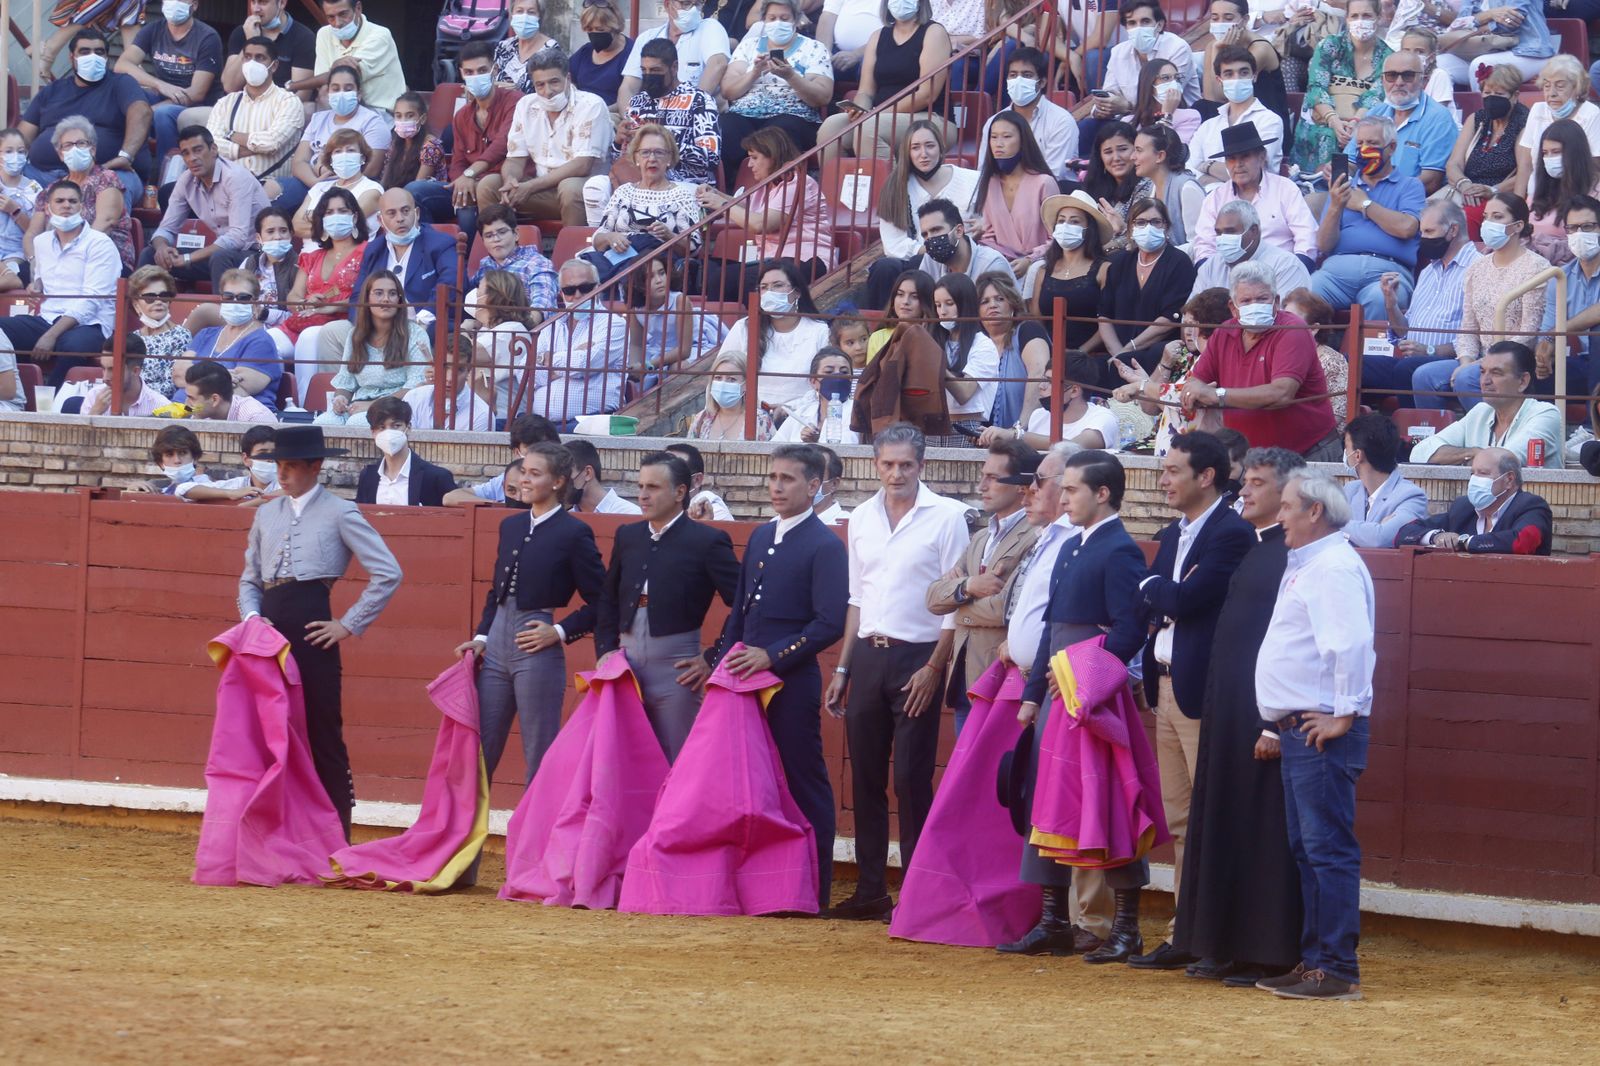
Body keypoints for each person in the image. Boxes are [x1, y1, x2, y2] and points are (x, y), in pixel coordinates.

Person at [1007, 449, 1151, 963]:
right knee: (1048, 803)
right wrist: (1032, 698)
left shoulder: (1120, 550)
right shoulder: (1073, 547)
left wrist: (1081, 680)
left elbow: (1131, 628)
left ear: (1103, 493)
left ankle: (1127, 929)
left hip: (1089, 699)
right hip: (1058, 695)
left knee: (1107, 804)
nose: (1061, 497)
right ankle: (1053, 922)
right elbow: (1051, 628)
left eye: (1070, 490)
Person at [1169, 445, 1305, 987]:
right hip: (1228, 710)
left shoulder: (1290, 557)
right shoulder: (1258, 548)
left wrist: (1273, 722)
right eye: (1243, 481)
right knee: (1228, 820)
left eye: (1256, 483)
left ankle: (1265, 951)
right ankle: (1225, 944)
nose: (1243, 491)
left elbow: (1290, 646)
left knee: (1261, 829)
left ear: (1288, 493)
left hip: (1261, 717)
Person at [1120, 431, 1254, 972]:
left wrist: (1154, 588)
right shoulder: (1177, 535)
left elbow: (1185, 600)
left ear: (1207, 476)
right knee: (1179, 819)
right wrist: (1159, 591)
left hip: (1206, 690)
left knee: (1211, 816)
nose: (1163, 479)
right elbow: (1163, 599)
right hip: (1168, 683)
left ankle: (1220, 936)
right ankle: (1185, 930)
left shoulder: (1230, 534)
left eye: (1174, 470)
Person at [825, 423, 969, 920]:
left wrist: (935, 666)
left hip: (918, 655)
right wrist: (843, 667)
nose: (896, 473)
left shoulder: (949, 517)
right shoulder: (861, 517)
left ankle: (918, 890)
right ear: (875, 464)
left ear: (922, 465)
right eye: (887, 464)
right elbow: (856, 598)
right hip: (868, 654)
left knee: (911, 778)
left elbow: (955, 603)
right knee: (864, 775)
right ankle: (870, 890)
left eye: (906, 464)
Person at [238, 423, 402, 838]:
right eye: (279, 465)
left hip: (313, 631)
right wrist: (253, 620)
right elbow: (250, 579)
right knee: (266, 733)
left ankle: (334, 833)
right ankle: (273, 830)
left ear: (316, 466)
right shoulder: (265, 512)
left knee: (321, 730)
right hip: (268, 635)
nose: (283, 474)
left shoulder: (340, 511)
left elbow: (388, 572)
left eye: (291, 466)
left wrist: (348, 625)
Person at [711, 443, 850, 910]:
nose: (776, 486)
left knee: (801, 779)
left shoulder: (825, 544)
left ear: (814, 486)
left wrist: (771, 657)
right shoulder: (760, 536)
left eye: (787, 479)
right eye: (773, 478)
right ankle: (759, 882)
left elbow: (828, 623)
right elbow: (740, 613)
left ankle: (814, 888)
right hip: (745, 680)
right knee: (748, 782)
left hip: (789, 683)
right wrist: (722, 666)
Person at [1253, 471, 1375, 1002]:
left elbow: (1348, 645)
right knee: (1310, 850)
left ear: (1315, 512)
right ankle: (1316, 961)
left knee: (1326, 850)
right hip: (1302, 726)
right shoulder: (1314, 564)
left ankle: (1336, 967)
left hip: (1320, 729)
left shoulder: (1333, 567)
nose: (1278, 516)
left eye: (1285, 507)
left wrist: (1343, 714)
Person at [454, 441, 605, 784]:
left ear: (557, 482)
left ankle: (534, 838)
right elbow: (498, 591)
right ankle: (468, 838)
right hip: (494, 650)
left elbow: (603, 599)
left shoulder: (573, 532)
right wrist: (481, 637)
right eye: (523, 471)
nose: (524, 479)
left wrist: (560, 632)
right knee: (478, 751)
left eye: (534, 474)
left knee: (539, 754)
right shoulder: (512, 526)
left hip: (536, 650)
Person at [595, 451, 741, 761]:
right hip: (625, 665)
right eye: (641, 486)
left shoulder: (706, 541)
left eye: (653, 487)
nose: (643, 495)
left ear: (679, 492)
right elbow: (608, 597)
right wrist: (605, 649)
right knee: (620, 760)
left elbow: (743, 603)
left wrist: (713, 657)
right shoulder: (628, 535)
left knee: (677, 760)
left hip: (677, 669)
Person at [926, 438, 1041, 734]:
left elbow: (1007, 609)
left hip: (1004, 680)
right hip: (965, 676)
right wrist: (970, 586)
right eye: (982, 476)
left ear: (1021, 486)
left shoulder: (1035, 537)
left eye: (992, 478)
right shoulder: (980, 538)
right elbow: (933, 598)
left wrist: (958, 602)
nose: (982, 486)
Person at [1183, 261, 1341, 460]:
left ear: (1276, 301)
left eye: (1262, 299)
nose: (1254, 306)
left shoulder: (1293, 330)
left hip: (1308, 453)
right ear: (1233, 307)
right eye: (1246, 301)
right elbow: (1196, 381)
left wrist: (1217, 395)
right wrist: (1197, 390)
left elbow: (1281, 393)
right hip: (1252, 457)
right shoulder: (1224, 332)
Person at [1413, 192, 1549, 410]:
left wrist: (1481, 364)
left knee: (1467, 378)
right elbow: (1468, 325)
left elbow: (1529, 331)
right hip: (1478, 358)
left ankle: (1488, 434)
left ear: (1517, 226)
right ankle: (1439, 439)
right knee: (1423, 376)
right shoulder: (1476, 268)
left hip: (1515, 359)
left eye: (1497, 217)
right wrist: (1466, 360)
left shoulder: (1537, 267)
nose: (1488, 224)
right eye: (1486, 217)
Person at [1359, 199, 1479, 408]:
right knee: (1349, 364)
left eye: (1429, 232)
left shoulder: (1478, 268)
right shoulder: (1427, 272)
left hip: (1452, 362)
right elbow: (1404, 332)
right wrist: (1390, 303)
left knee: (1408, 369)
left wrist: (1429, 350)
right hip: (1410, 360)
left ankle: (1412, 436)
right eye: (1421, 233)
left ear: (1453, 230)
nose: (1423, 239)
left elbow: (1477, 337)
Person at [0, 180, 119, 388]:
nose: (66, 205)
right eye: (60, 201)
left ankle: (53, 408)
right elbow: (42, 278)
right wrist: (36, 284)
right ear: (48, 208)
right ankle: (18, 393)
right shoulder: (41, 242)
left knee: (72, 345)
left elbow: (91, 301)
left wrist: (50, 335)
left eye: (73, 201)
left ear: (81, 207)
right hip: (48, 317)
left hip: (90, 323)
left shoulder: (100, 243)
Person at [1309, 115, 1426, 322]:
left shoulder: (1410, 185)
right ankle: (1315, 354)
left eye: (1372, 143)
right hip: (1336, 273)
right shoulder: (1343, 187)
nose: (1364, 150)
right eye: (1360, 144)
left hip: (1388, 272)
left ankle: (1367, 356)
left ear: (1391, 148)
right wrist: (1336, 205)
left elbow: (1407, 228)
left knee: (1380, 298)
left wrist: (1365, 205)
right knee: (1307, 293)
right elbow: (1324, 245)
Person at [20, 32, 153, 208]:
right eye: (85, 51)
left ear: (106, 57)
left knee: (110, 187)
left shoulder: (121, 83)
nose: (93, 57)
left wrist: (126, 156)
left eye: (99, 52)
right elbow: (21, 137)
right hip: (41, 175)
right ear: (72, 57)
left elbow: (141, 112)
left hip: (106, 172)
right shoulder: (51, 91)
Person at [697, 127, 833, 297]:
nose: (749, 164)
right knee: (707, 268)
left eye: (754, 158)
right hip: (773, 261)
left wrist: (722, 204)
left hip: (806, 261)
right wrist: (715, 193)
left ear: (773, 156)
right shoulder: (768, 184)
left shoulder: (797, 181)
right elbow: (744, 207)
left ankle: (744, 322)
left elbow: (761, 224)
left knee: (727, 279)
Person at [814, 0, 954, 163]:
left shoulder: (934, 32)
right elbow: (865, 91)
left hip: (931, 117)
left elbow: (926, 95)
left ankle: (890, 188)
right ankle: (835, 188)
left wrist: (875, 114)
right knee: (831, 127)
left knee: (869, 129)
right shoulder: (877, 36)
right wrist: (860, 112)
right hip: (878, 115)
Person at [487, 52, 613, 229]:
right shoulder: (526, 105)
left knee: (569, 187)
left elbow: (583, 165)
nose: (548, 91)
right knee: (489, 185)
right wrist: (511, 180)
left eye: (554, 82)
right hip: (541, 188)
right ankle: (499, 251)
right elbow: (515, 158)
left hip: (583, 188)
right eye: (540, 85)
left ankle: (573, 252)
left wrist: (530, 187)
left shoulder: (591, 105)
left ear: (567, 78)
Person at [141, 126, 271, 290]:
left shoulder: (235, 177)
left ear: (214, 149)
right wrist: (162, 249)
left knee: (220, 257)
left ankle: (221, 315)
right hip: (222, 254)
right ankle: (139, 311)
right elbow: (166, 228)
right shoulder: (186, 180)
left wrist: (187, 258)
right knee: (150, 254)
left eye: (198, 150)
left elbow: (238, 237)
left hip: (256, 255)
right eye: (186, 153)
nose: (192, 158)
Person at [408, 43, 517, 237]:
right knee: (414, 191)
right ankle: (429, 248)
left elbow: (502, 144)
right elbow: (457, 161)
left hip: (499, 183)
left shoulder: (514, 101)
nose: (475, 76)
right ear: (461, 73)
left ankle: (469, 259)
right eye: (469, 72)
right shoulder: (462, 116)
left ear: (495, 70)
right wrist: (462, 180)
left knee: (467, 206)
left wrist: (469, 175)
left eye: (482, 70)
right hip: (468, 183)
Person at [719, 0, 834, 183]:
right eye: (772, 18)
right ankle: (732, 191)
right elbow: (728, 91)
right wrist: (754, 73)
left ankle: (775, 196)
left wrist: (791, 76)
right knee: (725, 127)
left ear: (795, 20)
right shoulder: (748, 46)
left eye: (784, 18)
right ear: (764, 20)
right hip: (745, 113)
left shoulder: (814, 48)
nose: (777, 23)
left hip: (793, 115)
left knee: (776, 133)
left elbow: (823, 96)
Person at [1112, 288, 1233, 455]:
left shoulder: (1221, 356)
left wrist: (1142, 386)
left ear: (1200, 324)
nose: (1188, 331)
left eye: (1192, 324)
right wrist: (1144, 383)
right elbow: (1169, 403)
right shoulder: (1201, 357)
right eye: (1186, 324)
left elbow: (1186, 395)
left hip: (1195, 455)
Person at [1409, 341, 1561, 467]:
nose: (1485, 381)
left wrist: (1463, 457)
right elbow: (1419, 452)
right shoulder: (1481, 411)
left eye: (1496, 373)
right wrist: (1470, 453)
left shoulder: (1545, 414)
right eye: (1482, 372)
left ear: (1522, 381)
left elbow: (1503, 461)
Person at [609, 38, 723, 201]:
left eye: (655, 70)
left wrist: (662, 143)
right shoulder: (638, 102)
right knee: (596, 186)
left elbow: (711, 157)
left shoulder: (699, 100)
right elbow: (619, 159)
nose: (648, 76)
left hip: (685, 182)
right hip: (639, 178)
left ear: (674, 67)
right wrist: (619, 142)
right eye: (644, 70)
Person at [267, 63, 390, 212]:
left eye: (348, 88)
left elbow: (372, 168)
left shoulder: (372, 122)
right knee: (268, 191)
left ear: (359, 94)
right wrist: (316, 184)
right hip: (313, 183)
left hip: (354, 188)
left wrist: (335, 185)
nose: (341, 93)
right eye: (336, 89)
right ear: (328, 92)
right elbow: (299, 162)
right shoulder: (318, 119)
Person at [1192, 121, 1317, 266]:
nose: (1238, 164)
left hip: (1280, 270)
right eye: (1231, 159)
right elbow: (1204, 246)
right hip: (1229, 276)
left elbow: (1307, 237)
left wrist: (1296, 270)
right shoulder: (1215, 198)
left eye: (1245, 156)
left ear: (1262, 157)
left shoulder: (1285, 189)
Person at [316, 269, 429, 427]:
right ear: (367, 298)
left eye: (392, 294)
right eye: (378, 293)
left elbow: (415, 388)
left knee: (357, 423)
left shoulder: (415, 334)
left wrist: (373, 405)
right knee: (322, 423)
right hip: (359, 405)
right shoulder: (355, 334)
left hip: (397, 408)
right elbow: (346, 382)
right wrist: (340, 399)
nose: (386, 299)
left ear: (399, 300)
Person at [871, 119, 978, 285]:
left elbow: (989, 221)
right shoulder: (895, 187)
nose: (923, 153)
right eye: (915, 148)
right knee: (884, 268)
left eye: (930, 145)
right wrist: (932, 249)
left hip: (962, 255)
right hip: (918, 257)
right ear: (907, 152)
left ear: (941, 148)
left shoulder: (972, 180)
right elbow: (894, 244)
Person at [117, 1, 223, 169]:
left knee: (163, 114)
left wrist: (151, 110)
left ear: (194, 5)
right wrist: (159, 85)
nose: (174, 3)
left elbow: (197, 93)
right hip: (163, 94)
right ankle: (128, 161)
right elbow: (122, 65)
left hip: (198, 105)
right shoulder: (153, 30)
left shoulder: (207, 37)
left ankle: (164, 173)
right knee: (131, 98)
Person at [587, 124, 704, 274]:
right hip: (618, 260)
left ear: (669, 158)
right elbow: (598, 238)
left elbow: (694, 249)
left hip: (659, 268)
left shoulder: (683, 196)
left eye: (659, 153)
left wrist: (670, 236)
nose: (652, 158)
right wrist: (611, 237)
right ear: (636, 158)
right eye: (645, 153)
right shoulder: (623, 192)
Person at [1290, 0, 1389, 177]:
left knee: (1363, 139)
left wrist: (1355, 124)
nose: (1360, 21)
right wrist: (1334, 121)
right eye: (1355, 16)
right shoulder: (1329, 45)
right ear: (1347, 18)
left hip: (1363, 124)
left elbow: (1376, 95)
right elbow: (1317, 87)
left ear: (1378, 17)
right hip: (1323, 121)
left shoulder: (1388, 56)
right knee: (1328, 135)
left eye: (1367, 16)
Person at [1098, 196, 1195, 376]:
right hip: (1117, 351)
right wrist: (1118, 353)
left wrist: (1128, 351)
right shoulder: (1119, 263)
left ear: (1166, 226)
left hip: (1159, 351)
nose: (1148, 227)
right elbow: (1104, 316)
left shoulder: (1178, 262)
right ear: (1131, 228)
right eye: (1140, 222)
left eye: (1155, 222)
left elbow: (1169, 319)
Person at [717, 258, 831, 409]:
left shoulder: (819, 331)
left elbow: (826, 385)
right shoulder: (744, 328)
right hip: (751, 415)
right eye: (764, 287)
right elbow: (720, 375)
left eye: (778, 285)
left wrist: (788, 410)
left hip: (802, 416)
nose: (770, 292)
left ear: (796, 292)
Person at [285, 187, 368, 392]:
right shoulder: (313, 256)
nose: (335, 217)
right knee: (268, 341)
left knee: (310, 336)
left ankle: (309, 404)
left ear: (354, 216)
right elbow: (293, 296)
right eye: (329, 213)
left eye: (342, 211)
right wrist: (306, 302)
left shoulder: (368, 251)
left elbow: (370, 295)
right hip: (305, 319)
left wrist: (331, 307)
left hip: (343, 323)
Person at [1396, 446, 1552, 555]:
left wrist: (1465, 542)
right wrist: (1436, 537)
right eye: (1473, 473)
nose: (1475, 480)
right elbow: (1404, 533)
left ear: (1509, 479)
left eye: (1483, 473)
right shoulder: (1463, 507)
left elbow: (1521, 542)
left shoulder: (1531, 506)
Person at [529, 259, 629, 424]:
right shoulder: (552, 326)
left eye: (585, 288)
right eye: (569, 290)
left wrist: (547, 360)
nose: (577, 296)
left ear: (598, 287)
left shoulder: (614, 324)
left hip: (592, 421)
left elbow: (584, 365)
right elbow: (526, 375)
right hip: (543, 424)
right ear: (561, 293)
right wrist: (573, 356)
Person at [1348, 49, 1459, 194]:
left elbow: (1430, 181)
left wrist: (1382, 195)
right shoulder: (1375, 113)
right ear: (1382, 80)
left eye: (1408, 76)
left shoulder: (1439, 119)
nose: (1399, 83)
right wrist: (1335, 170)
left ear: (1423, 81)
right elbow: (1351, 161)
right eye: (1391, 75)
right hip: (1366, 193)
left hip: (1410, 202)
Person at [205, 35, 306, 183]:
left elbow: (271, 142)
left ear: (274, 65)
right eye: (247, 57)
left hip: (270, 184)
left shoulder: (289, 102)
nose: (252, 63)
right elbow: (211, 145)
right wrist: (246, 149)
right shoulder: (226, 102)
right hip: (228, 183)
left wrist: (230, 134)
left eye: (260, 58)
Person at [179, 268, 283, 411]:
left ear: (256, 303)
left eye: (243, 298)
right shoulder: (205, 334)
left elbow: (236, 391)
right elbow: (178, 374)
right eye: (228, 297)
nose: (235, 302)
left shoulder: (261, 342)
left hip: (235, 419)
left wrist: (193, 376)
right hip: (184, 411)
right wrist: (218, 376)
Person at [970, 110, 1055, 275]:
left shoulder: (1044, 182)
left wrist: (1030, 260)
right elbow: (989, 236)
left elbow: (1058, 237)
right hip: (1002, 267)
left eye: (1007, 137)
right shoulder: (990, 183)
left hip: (1041, 266)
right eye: (994, 137)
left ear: (1023, 141)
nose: (998, 143)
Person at [1027, 192, 1111, 354]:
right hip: (1050, 358)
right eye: (1061, 220)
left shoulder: (1104, 269)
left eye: (1074, 221)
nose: (1066, 226)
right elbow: (1037, 319)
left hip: (1091, 358)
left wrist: (1079, 352)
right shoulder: (1043, 271)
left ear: (1089, 228)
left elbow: (1110, 321)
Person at [1535, 195, 1600, 404]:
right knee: (1525, 367)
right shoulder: (1560, 278)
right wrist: (1543, 352)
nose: (1579, 234)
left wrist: (1557, 331)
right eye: (1572, 228)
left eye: (1588, 227)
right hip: (1584, 363)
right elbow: (1547, 329)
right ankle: (1540, 431)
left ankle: (1592, 429)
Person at [977, 46, 1078, 181]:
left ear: (1041, 82)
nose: (1018, 81)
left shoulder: (1061, 121)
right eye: (1013, 75)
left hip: (1054, 195)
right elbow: (984, 171)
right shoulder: (993, 122)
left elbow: (1053, 175)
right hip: (1005, 193)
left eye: (1027, 75)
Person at [1089, 3, 1200, 125]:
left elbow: (1167, 97)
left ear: (1159, 25)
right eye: (1132, 23)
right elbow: (1110, 91)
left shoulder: (1177, 48)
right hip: (1132, 120)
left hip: (1175, 118)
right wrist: (1102, 108)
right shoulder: (1118, 52)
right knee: (1089, 127)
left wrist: (1127, 106)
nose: (1138, 28)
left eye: (1145, 21)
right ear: (1125, 27)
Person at [1444, 63, 1526, 222]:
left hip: (1498, 198)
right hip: (1465, 192)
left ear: (1515, 96)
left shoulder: (1524, 123)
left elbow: (1525, 173)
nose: (1491, 98)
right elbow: (1453, 164)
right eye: (1487, 92)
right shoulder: (1477, 119)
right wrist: (1464, 184)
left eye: (1499, 93)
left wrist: (1492, 190)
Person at [1513, 54, 1598, 200]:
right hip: (1538, 197)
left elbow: (1596, 168)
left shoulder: (1592, 114)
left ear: (1577, 88)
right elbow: (1525, 164)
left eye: (1560, 86)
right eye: (1546, 86)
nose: (1551, 93)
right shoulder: (1537, 110)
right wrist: (1518, 204)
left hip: (1577, 199)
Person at [624, 255, 722, 380]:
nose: (659, 280)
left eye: (662, 273)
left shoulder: (680, 300)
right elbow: (636, 344)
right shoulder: (636, 308)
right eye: (650, 277)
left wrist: (647, 366)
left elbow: (684, 351)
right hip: (658, 352)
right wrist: (635, 368)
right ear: (638, 283)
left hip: (693, 349)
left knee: (677, 368)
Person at [1339, 412, 1429, 548]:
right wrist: (1371, 529)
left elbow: (1380, 538)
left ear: (1357, 455)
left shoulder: (1411, 496)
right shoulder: (1349, 490)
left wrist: (1335, 524)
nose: (1345, 454)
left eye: (1346, 448)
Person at [930, 272, 1001, 442]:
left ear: (966, 305)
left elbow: (964, 394)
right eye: (938, 305)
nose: (942, 311)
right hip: (931, 426)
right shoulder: (935, 339)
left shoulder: (983, 345)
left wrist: (933, 362)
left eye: (949, 304)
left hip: (967, 427)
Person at [618, 0, 733, 104]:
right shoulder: (647, 37)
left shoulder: (710, 27)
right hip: (650, 114)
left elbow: (718, 64)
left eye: (697, 3)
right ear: (668, 5)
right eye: (686, 3)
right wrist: (630, 118)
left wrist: (689, 107)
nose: (693, 10)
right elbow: (629, 86)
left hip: (695, 116)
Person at [974, 271, 1048, 432]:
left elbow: (1039, 374)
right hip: (980, 437)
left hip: (1026, 437)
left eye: (1000, 299)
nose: (992, 305)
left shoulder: (1028, 330)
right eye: (984, 301)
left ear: (1012, 303)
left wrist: (1018, 429)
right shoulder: (975, 341)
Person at [1191, 199, 1310, 297]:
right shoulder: (1211, 266)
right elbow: (1190, 317)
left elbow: (1289, 321)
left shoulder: (1286, 266)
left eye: (1230, 231)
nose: (1222, 238)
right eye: (1218, 233)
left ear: (1254, 231)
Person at [352, 395, 457, 507]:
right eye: (381, 427)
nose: (389, 432)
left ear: (408, 427)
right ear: (373, 432)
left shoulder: (435, 477)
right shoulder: (368, 475)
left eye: (396, 425)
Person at [1008, 350, 1122, 451]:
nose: (1041, 386)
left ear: (1074, 391)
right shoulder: (1038, 415)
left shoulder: (1103, 417)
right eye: (1043, 379)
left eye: (1050, 381)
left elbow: (1072, 447)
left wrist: (1017, 436)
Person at [442, 413, 562, 506]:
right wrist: (497, 506)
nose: (537, 454)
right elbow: (450, 498)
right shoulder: (503, 481)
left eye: (542, 448)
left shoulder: (563, 479)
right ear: (517, 452)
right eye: (531, 449)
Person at [465, 204, 557, 325]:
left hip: (525, 335)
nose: (496, 239)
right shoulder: (485, 265)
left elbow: (541, 309)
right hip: (489, 332)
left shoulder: (537, 263)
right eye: (489, 235)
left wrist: (506, 329)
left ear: (516, 234)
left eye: (502, 232)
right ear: (483, 241)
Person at [312, 0, 406, 114]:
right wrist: (335, 68)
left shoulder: (380, 35)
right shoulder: (324, 34)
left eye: (343, 14)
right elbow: (323, 83)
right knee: (313, 102)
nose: (337, 23)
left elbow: (347, 76)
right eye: (331, 17)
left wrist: (293, 86)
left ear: (358, 8)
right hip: (340, 108)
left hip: (379, 112)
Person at [1525, 119, 1595, 267]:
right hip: (1531, 267)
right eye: (1545, 153)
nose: (1550, 159)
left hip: (1571, 270)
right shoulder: (1538, 192)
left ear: (1575, 153)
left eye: (1556, 152)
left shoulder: (1595, 193)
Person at [221, 0, 317, 102]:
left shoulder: (303, 37)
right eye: (253, 2)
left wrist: (264, 109)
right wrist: (250, 41)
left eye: (263, 2)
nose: (256, 9)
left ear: (282, 3)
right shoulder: (242, 32)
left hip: (282, 108)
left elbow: (301, 95)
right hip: (245, 105)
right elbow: (229, 86)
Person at [1279, 288, 1348, 428]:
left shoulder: (1333, 362)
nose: (1284, 325)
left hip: (1318, 440)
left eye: (1293, 320)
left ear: (1314, 328)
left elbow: (1336, 416)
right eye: (1284, 319)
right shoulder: (1277, 354)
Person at [119, 264, 190, 399]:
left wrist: (133, 394)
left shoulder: (180, 336)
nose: (158, 302)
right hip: (128, 400)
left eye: (164, 296)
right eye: (150, 297)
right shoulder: (132, 338)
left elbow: (170, 386)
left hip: (160, 406)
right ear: (136, 304)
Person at [912, 197, 1011, 288]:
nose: (930, 238)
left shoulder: (991, 264)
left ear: (959, 231)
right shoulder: (930, 260)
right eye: (925, 234)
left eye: (936, 230)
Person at [771, 347, 859, 444]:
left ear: (851, 379)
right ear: (813, 381)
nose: (838, 376)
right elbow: (773, 447)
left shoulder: (856, 412)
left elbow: (849, 449)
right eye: (829, 372)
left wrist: (816, 442)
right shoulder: (801, 413)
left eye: (844, 372)